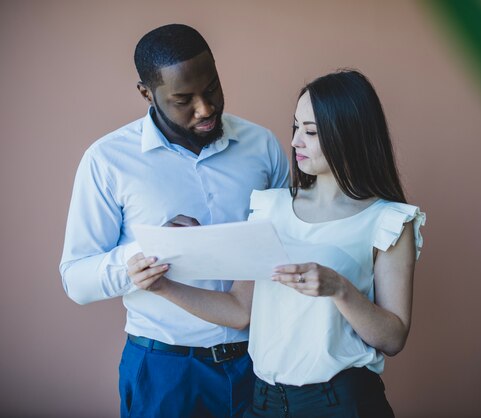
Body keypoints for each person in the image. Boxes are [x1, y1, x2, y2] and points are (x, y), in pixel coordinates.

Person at [128, 69, 426, 417]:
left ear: (350, 135)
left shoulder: (388, 221)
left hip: (342, 402)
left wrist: (340, 288)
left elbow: (392, 339)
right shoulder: (270, 207)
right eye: (296, 127)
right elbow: (239, 311)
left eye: (311, 132)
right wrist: (162, 286)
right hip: (264, 402)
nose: (297, 141)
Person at [59, 24, 290, 418]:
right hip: (163, 372)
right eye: (184, 99)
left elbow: (287, 241)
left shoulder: (262, 146)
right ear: (146, 93)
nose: (205, 108)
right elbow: (75, 279)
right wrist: (144, 257)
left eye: (212, 88)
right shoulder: (107, 161)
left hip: (260, 362)